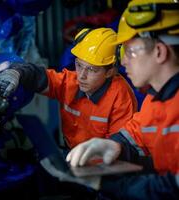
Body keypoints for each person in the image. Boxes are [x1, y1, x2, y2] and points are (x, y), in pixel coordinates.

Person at [66, 0, 179, 199]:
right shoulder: (156, 101)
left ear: (160, 52)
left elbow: (171, 188)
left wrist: (108, 185)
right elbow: (138, 133)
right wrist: (115, 145)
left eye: (130, 52)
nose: (124, 61)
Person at [0, 27, 137, 149]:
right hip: (71, 156)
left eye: (92, 70)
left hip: (104, 167)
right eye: (79, 65)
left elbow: (118, 147)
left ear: (111, 72)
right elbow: (38, 76)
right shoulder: (71, 82)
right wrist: (16, 72)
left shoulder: (121, 97)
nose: (81, 75)